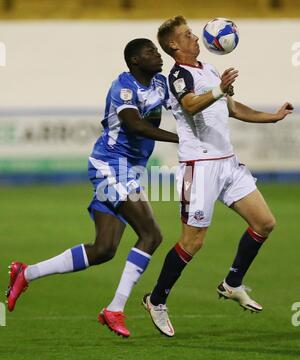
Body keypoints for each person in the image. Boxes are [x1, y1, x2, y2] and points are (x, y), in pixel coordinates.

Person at [6, 38, 178, 338]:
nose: (157, 54)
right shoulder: (123, 87)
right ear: (135, 61)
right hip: (111, 165)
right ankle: (115, 308)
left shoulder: (160, 83)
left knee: (104, 249)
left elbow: (182, 106)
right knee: (151, 235)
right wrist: (181, 140)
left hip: (129, 170)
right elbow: (136, 125)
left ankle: (26, 272)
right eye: (150, 51)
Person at [142, 16, 294, 337]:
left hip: (228, 163)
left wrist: (273, 117)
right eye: (188, 35)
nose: (195, 38)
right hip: (199, 168)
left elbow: (233, 108)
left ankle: (232, 283)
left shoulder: (208, 69)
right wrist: (217, 89)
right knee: (193, 242)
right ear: (173, 44)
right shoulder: (178, 76)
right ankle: (156, 300)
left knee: (264, 223)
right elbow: (191, 105)